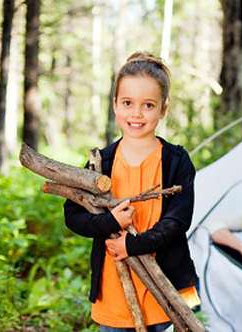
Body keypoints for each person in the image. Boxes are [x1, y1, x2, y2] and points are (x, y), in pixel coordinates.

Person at [64, 52, 200, 331]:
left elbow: (178, 221)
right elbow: (72, 215)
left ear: (163, 109)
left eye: (148, 105)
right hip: (114, 289)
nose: (136, 113)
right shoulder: (100, 162)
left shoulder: (176, 161)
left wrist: (132, 245)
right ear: (115, 104)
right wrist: (110, 223)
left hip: (167, 287)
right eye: (127, 103)